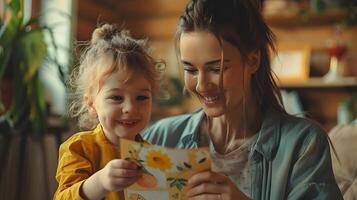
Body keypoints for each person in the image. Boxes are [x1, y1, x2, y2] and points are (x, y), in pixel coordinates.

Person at [143, 0, 343, 199]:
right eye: (190, 69)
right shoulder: (160, 138)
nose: (201, 85)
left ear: (253, 60)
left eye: (216, 69)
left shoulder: (303, 144)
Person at [54, 24, 162, 200]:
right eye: (117, 98)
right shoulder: (79, 148)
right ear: (91, 104)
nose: (131, 108)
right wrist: (100, 183)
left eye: (141, 98)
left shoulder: (153, 156)